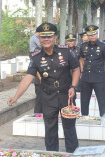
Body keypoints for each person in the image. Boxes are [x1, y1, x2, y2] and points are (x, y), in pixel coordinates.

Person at [8, 22, 80, 153]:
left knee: (70, 129)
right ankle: (53, 155)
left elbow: (76, 69)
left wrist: (73, 87)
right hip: (48, 98)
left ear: (55, 38)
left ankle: (73, 154)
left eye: (49, 36)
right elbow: (27, 78)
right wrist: (16, 97)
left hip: (66, 97)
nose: (46, 39)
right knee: (50, 131)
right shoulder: (36, 58)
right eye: (43, 37)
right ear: (39, 39)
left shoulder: (66, 51)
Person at [79, 25, 105, 117]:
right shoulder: (83, 46)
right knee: (84, 99)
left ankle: (104, 117)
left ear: (97, 34)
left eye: (94, 34)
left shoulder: (103, 46)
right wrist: (82, 70)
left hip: (98, 77)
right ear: (87, 36)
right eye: (90, 35)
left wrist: (100, 67)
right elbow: (81, 59)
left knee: (101, 99)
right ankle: (84, 117)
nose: (92, 36)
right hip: (86, 77)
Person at [29, 29, 42, 113]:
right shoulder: (34, 38)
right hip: (39, 80)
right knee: (39, 98)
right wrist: (40, 77)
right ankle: (37, 114)